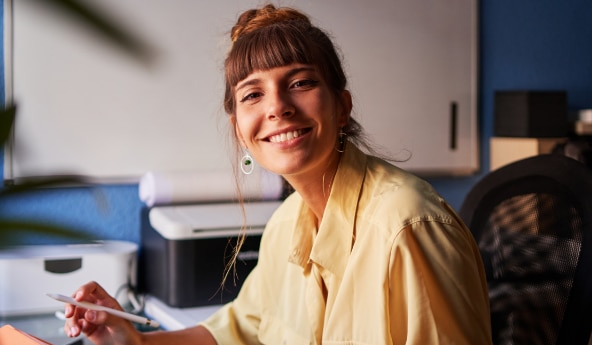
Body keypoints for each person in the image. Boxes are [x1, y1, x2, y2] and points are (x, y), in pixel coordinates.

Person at [64, 4, 492, 344]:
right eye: (253, 93)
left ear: (342, 106)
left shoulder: (407, 226)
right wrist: (133, 341)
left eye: (301, 83)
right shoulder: (287, 224)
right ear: (239, 130)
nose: (277, 107)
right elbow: (240, 331)